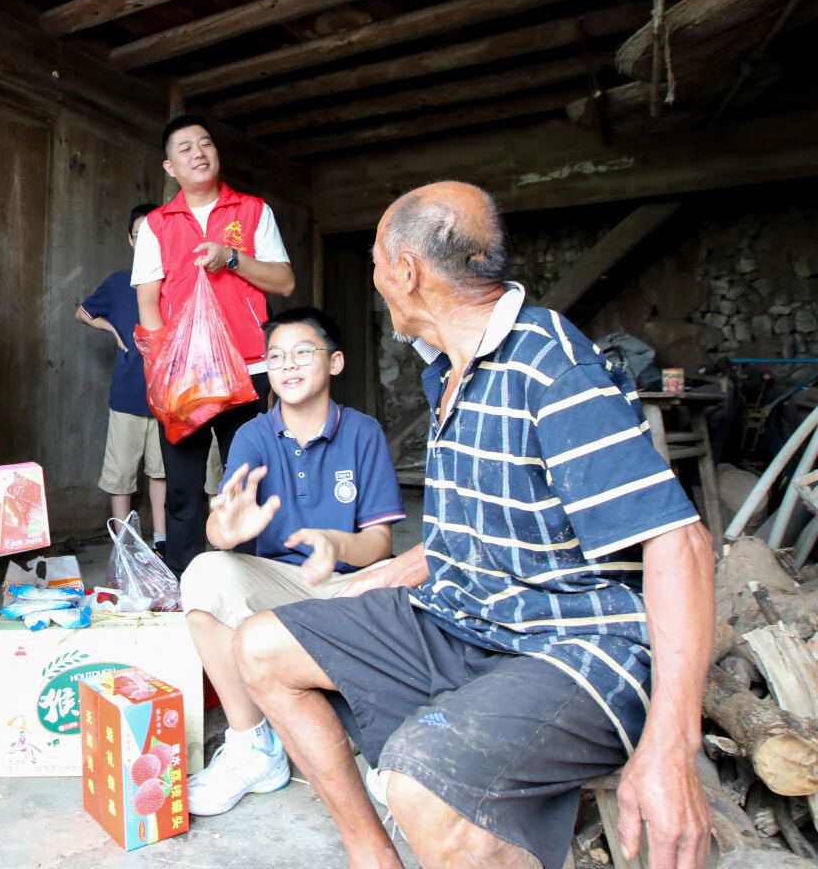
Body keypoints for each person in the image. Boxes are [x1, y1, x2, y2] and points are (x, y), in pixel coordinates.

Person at [233, 182, 715, 869]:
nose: (376, 281)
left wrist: (672, 745)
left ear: (406, 271)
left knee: (420, 783)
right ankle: (372, 855)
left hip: (573, 643)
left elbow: (680, 540)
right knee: (262, 646)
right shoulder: (448, 370)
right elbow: (498, 513)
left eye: (377, 263)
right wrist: (401, 569)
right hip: (465, 616)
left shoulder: (551, 363)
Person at [183, 306, 404, 818]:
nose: (288, 364)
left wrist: (338, 544)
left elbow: (379, 542)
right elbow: (220, 526)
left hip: (353, 585)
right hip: (283, 584)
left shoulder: (363, 433)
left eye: (303, 352)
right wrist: (226, 531)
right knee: (203, 578)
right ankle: (254, 748)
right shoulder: (255, 436)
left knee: (407, 591)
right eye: (276, 356)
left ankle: (389, 744)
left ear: (335, 362)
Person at [132, 113, 295, 574]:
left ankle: (253, 577)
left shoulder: (253, 211)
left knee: (246, 480)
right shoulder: (157, 225)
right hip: (184, 377)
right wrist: (164, 369)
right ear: (170, 167)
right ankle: (185, 578)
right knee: (182, 484)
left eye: (205, 144)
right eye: (185, 148)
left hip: (248, 368)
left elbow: (284, 282)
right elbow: (148, 300)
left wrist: (232, 258)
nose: (198, 153)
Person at [77, 203, 167, 544]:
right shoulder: (118, 283)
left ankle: (161, 540)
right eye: (139, 235)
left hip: (166, 398)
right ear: (130, 240)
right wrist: (113, 330)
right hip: (127, 395)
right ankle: (123, 545)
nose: (146, 241)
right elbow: (83, 313)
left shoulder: (172, 284)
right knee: (121, 477)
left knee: (161, 472)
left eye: (153, 235)